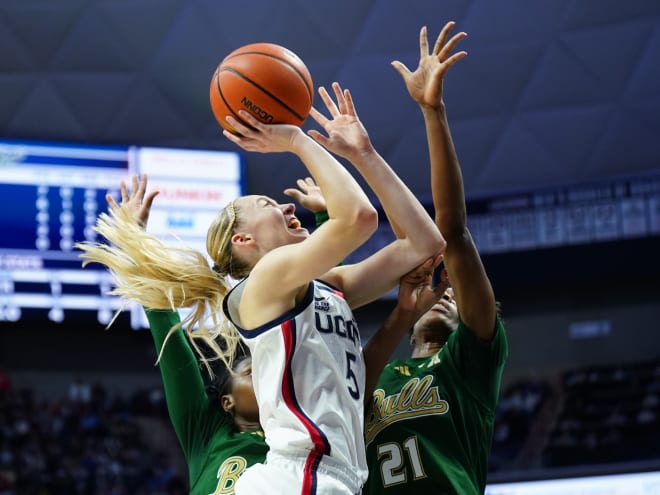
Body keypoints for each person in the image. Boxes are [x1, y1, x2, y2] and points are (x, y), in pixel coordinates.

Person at [78, 85, 445, 495]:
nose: (288, 207)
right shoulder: (264, 282)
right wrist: (295, 139)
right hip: (298, 477)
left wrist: (365, 155)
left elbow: (424, 243)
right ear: (243, 241)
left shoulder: (327, 286)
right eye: (268, 204)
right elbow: (358, 217)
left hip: (324, 478)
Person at [361, 21, 509, 495]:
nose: (444, 296)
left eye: (453, 295)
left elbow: (452, 235)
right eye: (435, 290)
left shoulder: (471, 363)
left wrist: (433, 111)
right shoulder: (375, 369)